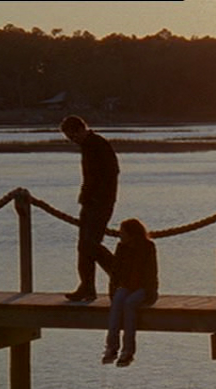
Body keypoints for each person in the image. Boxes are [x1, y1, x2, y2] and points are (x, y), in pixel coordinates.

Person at [59, 115, 120, 302]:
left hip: (101, 203)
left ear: (80, 129)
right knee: (83, 246)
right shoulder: (87, 146)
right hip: (90, 202)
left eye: (72, 136)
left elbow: (112, 172)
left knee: (90, 244)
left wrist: (96, 195)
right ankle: (87, 287)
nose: (72, 140)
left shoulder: (99, 144)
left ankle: (118, 273)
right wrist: (85, 195)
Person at [102, 218, 159, 367]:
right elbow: (115, 272)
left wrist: (144, 290)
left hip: (145, 289)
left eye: (123, 232)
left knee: (129, 304)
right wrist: (113, 291)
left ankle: (128, 351)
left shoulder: (148, 247)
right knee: (117, 301)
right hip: (127, 287)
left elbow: (151, 273)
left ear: (131, 234)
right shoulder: (122, 248)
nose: (120, 235)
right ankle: (111, 347)